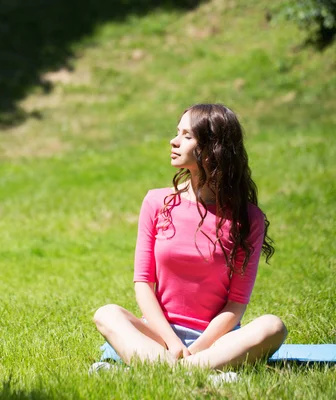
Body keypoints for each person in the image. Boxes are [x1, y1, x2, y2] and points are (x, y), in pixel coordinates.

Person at [93, 104, 287, 370]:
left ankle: (168, 370)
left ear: (212, 148)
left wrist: (197, 349)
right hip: (158, 335)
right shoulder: (156, 202)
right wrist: (173, 344)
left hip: (216, 341)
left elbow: (236, 304)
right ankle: (191, 370)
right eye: (177, 132)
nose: (174, 141)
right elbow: (143, 284)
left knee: (273, 327)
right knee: (107, 314)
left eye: (187, 136)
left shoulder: (247, 218)